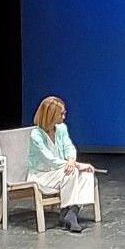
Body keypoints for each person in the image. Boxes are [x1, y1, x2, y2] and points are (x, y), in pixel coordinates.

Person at [27, 95, 95, 233]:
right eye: (61, 114)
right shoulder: (36, 135)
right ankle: (67, 211)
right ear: (51, 115)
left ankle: (72, 212)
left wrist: (71, 160)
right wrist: (76, 165)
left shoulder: (61, 128)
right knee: (72, 172)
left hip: (60, 171)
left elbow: (69, 146)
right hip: (42, 174)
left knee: (87, 174)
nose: (64, 116)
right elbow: (49, 159)